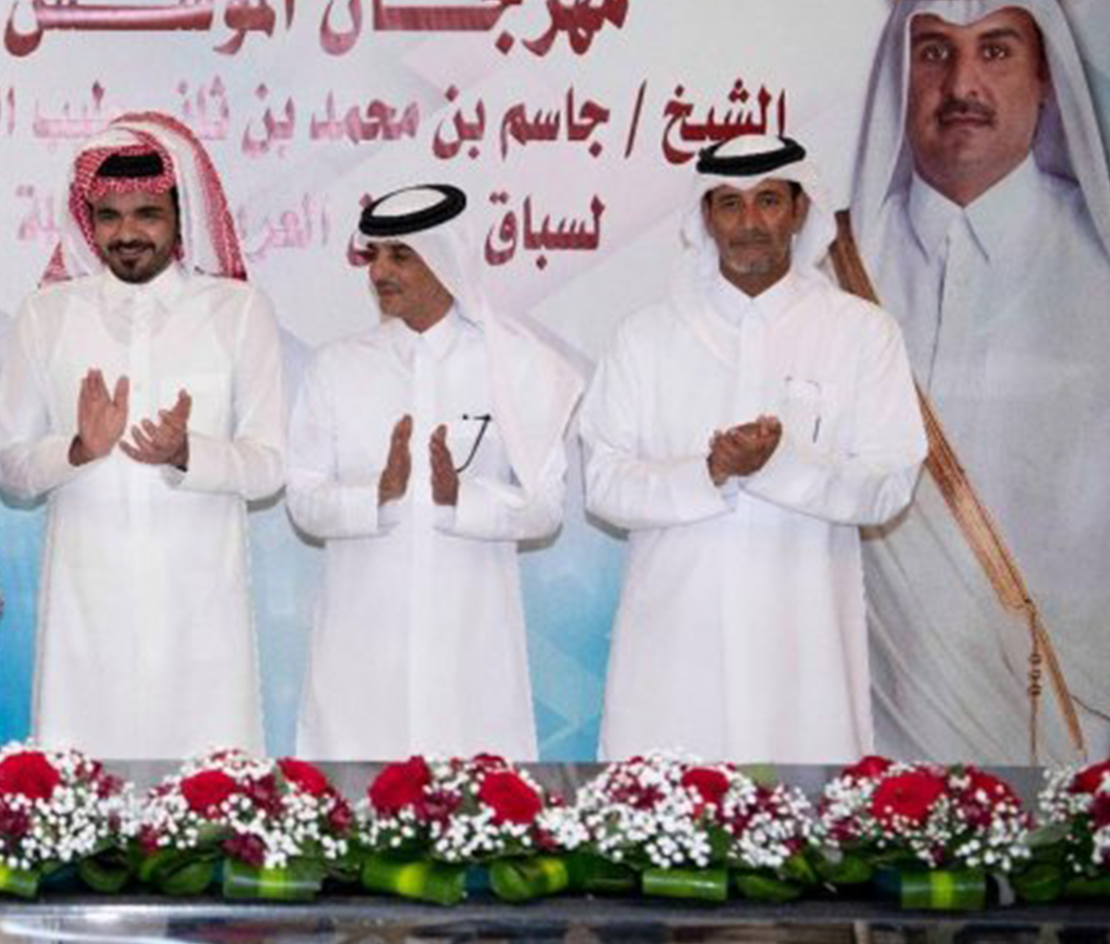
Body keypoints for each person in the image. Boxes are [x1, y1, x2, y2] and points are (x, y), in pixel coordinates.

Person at [579, 135, 928, 762]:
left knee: (804, 841)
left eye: (768, 201)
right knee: (666, 827)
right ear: (706, 219)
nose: (749, 223)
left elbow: (891, 482)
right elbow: (604, 485)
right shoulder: (646, 337)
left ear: (799, 211)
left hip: (803, 644)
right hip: (676, 644)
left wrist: (782, 466)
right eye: (729, 205)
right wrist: (708, 472)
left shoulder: (859, 333)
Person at [851, 0, 1110, 762]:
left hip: (1075, 723)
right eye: (934, 53)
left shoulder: (1099, 278)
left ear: (1047, 78)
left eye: (995, 51)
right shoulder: (826, 275)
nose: (962, 83)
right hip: (871, 722)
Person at [0, 111, 285, 759]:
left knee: (206, 802)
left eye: (147, 213)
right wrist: (77, 449)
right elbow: (8, 466)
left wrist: (188, 453)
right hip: (87, 610)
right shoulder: (47, 315)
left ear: (180, 217)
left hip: (202, 610)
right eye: (109, 216)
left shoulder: (238, 311)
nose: (127, 234)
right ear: (86, 221)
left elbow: (269, 467)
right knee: (84, 805)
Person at [286, 184, 583, 761]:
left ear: (445, 260)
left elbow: (545, 510)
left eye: (400, 256)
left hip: (471, 644)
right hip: (363, 644)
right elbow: (303, 500)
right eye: (374, 256)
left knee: (476, 809)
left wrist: (461, 500)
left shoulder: (519, 369)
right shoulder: (338, 367)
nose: (379, 272)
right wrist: (377, 495)